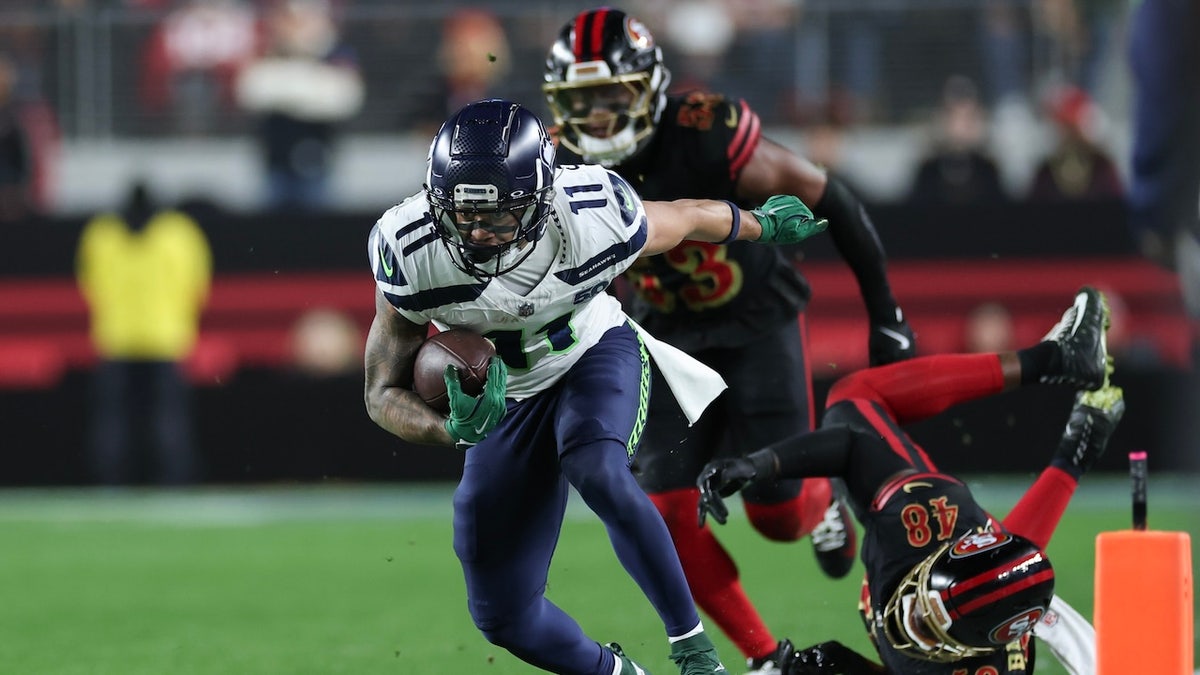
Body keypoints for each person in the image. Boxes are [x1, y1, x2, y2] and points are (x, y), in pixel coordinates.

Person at [363, 98, 829, 675]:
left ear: (539, 202)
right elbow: (380, 393)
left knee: (596, 466)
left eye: (498, 217)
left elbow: (683, 217)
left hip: (590, 352)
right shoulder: (411, 251)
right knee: (503, 615)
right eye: (463, 215)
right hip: (504, 398)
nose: (479, 233)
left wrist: (761, 224)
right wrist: (449, 428)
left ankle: (693, 648)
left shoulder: (589, 215)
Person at [542, 8, 916, 672]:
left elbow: (830, 197)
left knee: (778, 518)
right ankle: (766, 657)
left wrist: (885, 313)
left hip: (755, 324)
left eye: (610, 98)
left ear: (649, 89)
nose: (596, 119)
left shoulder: (705, 132)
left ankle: (821, 501)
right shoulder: (552, 161)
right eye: (581, 103)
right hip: (661, 337)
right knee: (664, 512)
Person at [696, 286, 1123, 674]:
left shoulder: (984, 667)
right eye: (924, 604)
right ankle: (1058, 369)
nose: (910, 618)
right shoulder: (920, 518)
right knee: (851, 400)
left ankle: (1059, 372)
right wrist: (757, 464)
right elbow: (851, 446)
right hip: (939, 533)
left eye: (927, 624)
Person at [75, 181, 212, 486]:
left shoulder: (102, 234)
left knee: (114, 419)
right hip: (166, 337)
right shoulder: (179, 233)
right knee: (168, 417)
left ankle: (111, 481)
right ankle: (173, 480)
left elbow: (90, 284)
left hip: (117, 337)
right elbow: (197, 284)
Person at [234, 0, 364, 212]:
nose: (298, 29)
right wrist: (310, 91)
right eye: (293, 21)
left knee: (318, 226)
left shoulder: (337, 54)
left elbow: (345, 99)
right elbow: (252, 92)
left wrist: (286, 93)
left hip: (317, 161)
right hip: (276, 161)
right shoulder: (266, 51)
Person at [906, 75, 1009, 207]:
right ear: (943, 118)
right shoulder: (929, 174)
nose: (964, 124)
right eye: (956, 116)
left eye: (970, 116)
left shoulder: (988, 172)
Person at [1026, 85, 1123, 202]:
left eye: (1073, 129)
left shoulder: (1103, 169)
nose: (1071, 138)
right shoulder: (1045, 173)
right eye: (1065, 129)